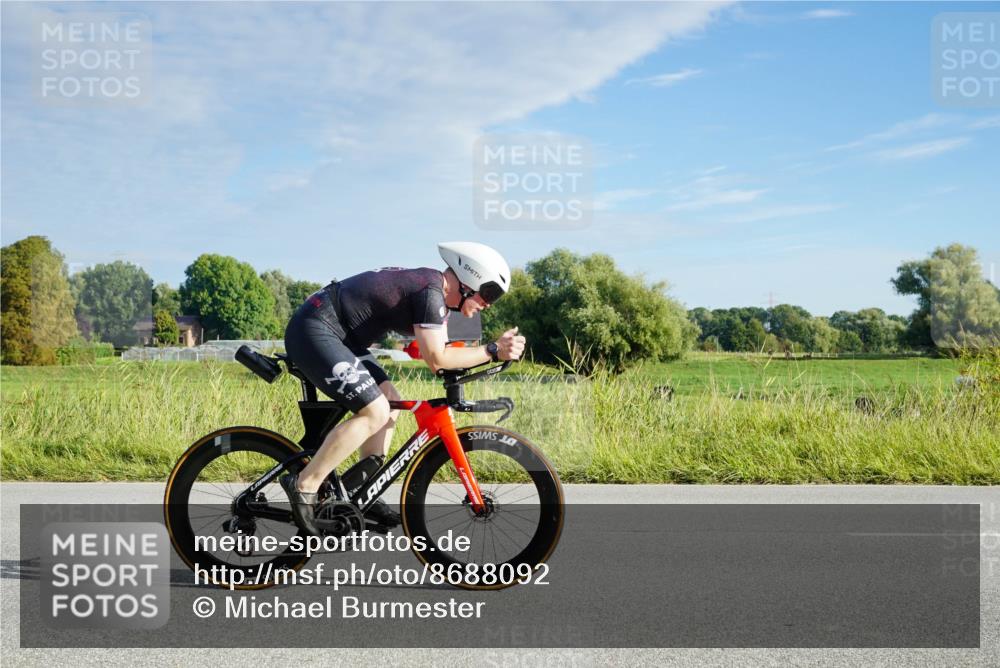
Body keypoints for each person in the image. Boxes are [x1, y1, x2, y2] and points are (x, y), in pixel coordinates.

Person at [280, 242, 525, 535]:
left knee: (390, 405)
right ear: (468, 278)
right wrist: (493, 350)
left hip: (343, 337)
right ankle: (305, 484)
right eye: (489, 293)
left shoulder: (436, 298)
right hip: (316, 328)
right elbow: (439, 361)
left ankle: (360, 489)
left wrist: (469, 352)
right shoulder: (430, 292)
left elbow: (441, 353)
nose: (488, 303)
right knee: (375, 411)